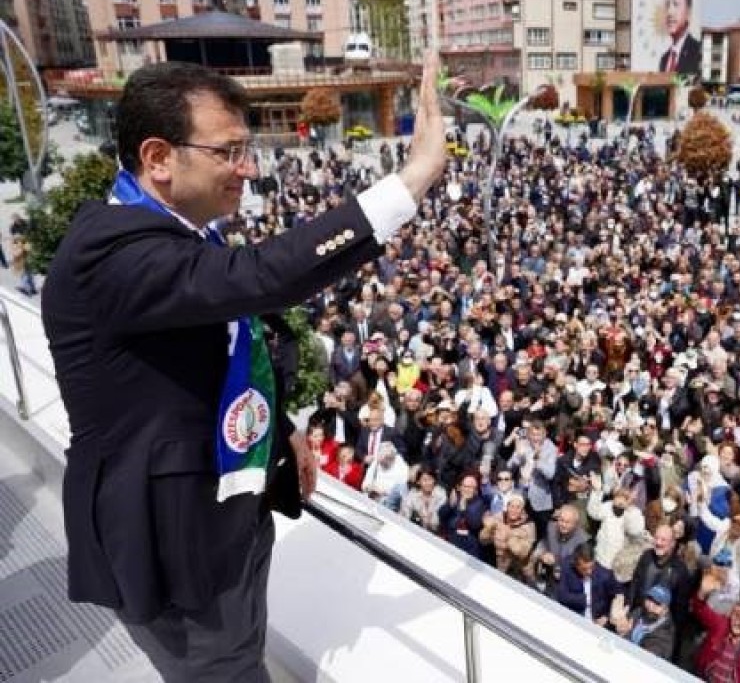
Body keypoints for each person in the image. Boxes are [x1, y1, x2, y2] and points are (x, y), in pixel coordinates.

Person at [42, 54, 446, 680]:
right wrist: (412, 180)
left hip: (225, 512)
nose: (249, 169)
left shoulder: (178, 231)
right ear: (158, 158)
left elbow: (214, 357)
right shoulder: (113, 254)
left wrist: (278, 427)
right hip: (176, 546)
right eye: (229, 152)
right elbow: (261, 279)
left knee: (241, 654)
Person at [657, 0, 702, 75]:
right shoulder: (664, 59)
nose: (670, 12)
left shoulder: (697, 51)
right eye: (667, 5)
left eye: (676, 4)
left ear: (688, 13)